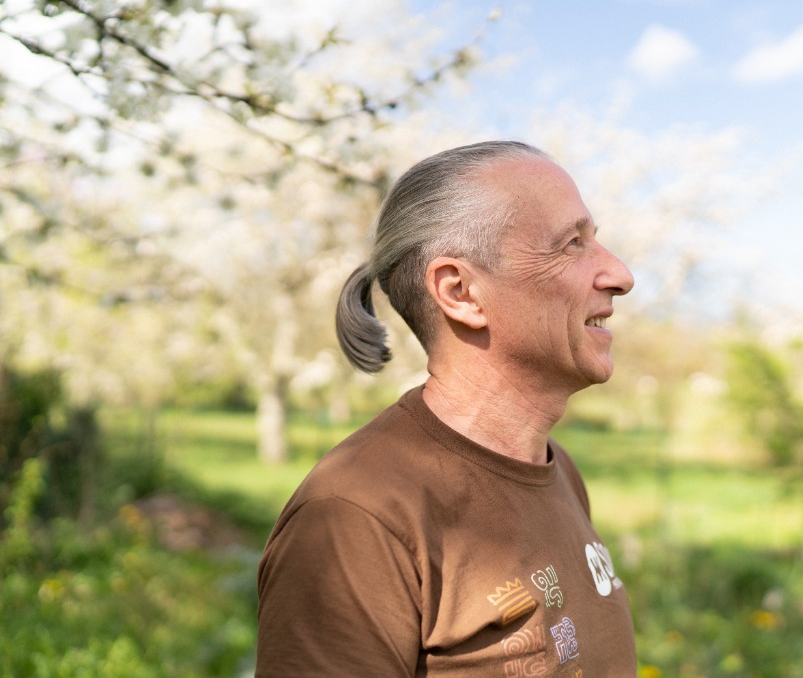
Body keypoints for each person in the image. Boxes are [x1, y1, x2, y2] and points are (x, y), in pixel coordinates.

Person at [255, 140, 637, 676]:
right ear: (460, 293)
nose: (620, 274)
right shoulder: (356, 513)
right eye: (572, 244)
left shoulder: (558, 470)